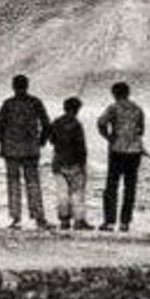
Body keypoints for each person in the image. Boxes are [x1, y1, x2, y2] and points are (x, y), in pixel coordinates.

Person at [0, 74, 52, 229]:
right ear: (27, 85)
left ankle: (15, 218)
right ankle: (39, 217)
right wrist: (40, 142)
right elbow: (46, 125)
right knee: (33, 183)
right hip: (31, 150)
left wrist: (4, 143)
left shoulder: (8, 104)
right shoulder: (35, 102)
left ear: (13, 87)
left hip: (11, 151)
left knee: (13, 184)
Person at [96, 80, 145, 232]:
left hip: (117, 151)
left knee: (111, 186)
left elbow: (100, 123)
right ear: (128, 93)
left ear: (114, 94)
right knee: (130, 188)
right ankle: (125, 223)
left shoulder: (113, 108)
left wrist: (108, 137)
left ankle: (109, 222)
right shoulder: (137, 109)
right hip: (135, 152)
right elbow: (141, 130)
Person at [46, 97, 91, 230]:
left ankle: (64, 220)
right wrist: (83, 163)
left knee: (62, 192)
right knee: (77, 192)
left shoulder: (56, 122)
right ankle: (78, 220)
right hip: (75, 163)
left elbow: (51, 140)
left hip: (59, 162)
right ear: (77, 110)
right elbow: (81, 147)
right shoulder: (77, 125)